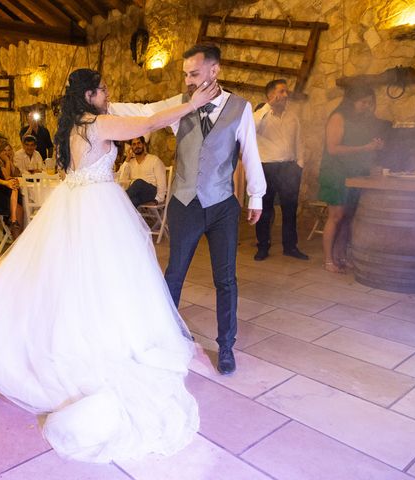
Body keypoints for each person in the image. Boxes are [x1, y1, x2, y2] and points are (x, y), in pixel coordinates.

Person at [0, 68, 217, 463]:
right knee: (106, 279)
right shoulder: (98, 122)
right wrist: (190, 104)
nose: (108, 93)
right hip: (96, 207)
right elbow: (145, 123)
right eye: (104, 88)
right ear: (90, 94)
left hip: (75, 202)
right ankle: (105, 340)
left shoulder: (74, 124)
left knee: (71, 279)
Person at [110, 43, 266, 375]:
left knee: (225, 279)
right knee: (174, 274)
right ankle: (164, 337)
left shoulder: (241, 107)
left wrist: (256, 196)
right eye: (185, 74)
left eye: (194, 73)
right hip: (184, 204)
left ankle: (226, 346)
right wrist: (104, 105)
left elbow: (250, 152)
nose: (189, 80)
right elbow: (144, 112)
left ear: (214, 70)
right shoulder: (180, 103)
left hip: (222, 204)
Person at [318, 84, 389, 273]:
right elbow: (333, 148)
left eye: (369, 103)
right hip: (335, 173)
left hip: (354, 173)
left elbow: (361, 146)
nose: (366, 106)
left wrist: (375, 147)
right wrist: (365, 148)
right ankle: (328, 260)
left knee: (348, 217)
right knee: (336, 216)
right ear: (351, 101)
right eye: (363, 102)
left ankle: (341, 255)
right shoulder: (338, 117)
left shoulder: (362, 121)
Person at [253, 79, 308, 261]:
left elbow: (299, 141)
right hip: (267, 167)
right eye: (282, 91)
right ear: (270, 95)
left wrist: (299, 164)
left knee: (290, 209)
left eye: (286, 92)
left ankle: (290, 247)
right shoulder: (260, 115)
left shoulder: (293, 117)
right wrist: (268, 107)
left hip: (289, 168)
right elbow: (251, 130)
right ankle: (262, 247)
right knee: (265, 210)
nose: (285, 95)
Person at [119, 136, 167, 207]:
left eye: (139, 143)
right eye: (134, 144)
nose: (137, 146)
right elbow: (121, 178)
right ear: (131, 147)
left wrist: (158, 199)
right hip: (137, 193)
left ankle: (118, 200)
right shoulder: (130, 162)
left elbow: (161, 181)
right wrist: (127, 159)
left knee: (139, 182)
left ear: (144, 144)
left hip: (151, 192)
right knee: (132, 202)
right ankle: (122, 215)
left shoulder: (154, 160)